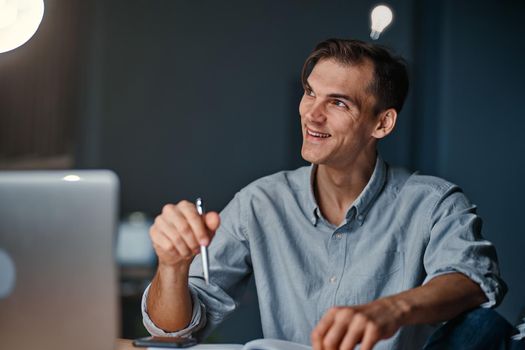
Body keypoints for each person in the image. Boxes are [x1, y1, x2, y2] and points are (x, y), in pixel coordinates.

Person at [141, 38, 507, 350]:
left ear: (382, 123)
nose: (311, 115)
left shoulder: (433, 203)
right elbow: (173, 333)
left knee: (486, 327)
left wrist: (390, 309)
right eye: (310, 93)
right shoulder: (260, 202)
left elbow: (471, 279)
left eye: (338, 103)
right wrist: (172, 267)